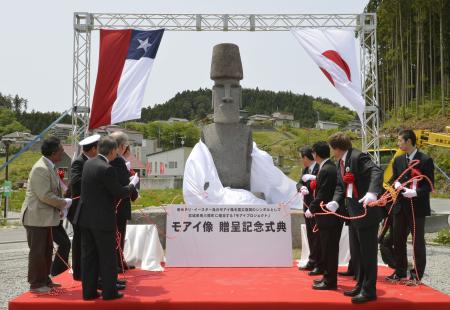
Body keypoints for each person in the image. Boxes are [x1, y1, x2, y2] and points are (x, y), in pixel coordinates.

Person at [75, 136, 139, 300]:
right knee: (107, 256)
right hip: (102, 220)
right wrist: (132, 185)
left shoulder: (89, 164)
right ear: (112, 151)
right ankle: (110, 293)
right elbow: (118, 191)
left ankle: (88, 293)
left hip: (85, 218)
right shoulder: (107, 168)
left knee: (89, 257)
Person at [328, 132, 383, 303]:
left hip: (366, 211)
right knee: (358, 252)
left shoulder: (358, 157)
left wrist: (373, 192)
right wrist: (336, 202)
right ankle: (360, 284)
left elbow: (376, 171)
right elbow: (340, 186)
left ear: (337, 148)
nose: (332, 152)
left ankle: (369, 290)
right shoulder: (340, 162)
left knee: (368, 252)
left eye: (333, 148)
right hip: (353, 212)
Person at [20, 136, 72, 293]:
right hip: (35, 217)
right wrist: (64, 203)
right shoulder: (41, 168)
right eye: (61, 150)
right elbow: (45, 195)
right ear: (53, 153)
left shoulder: (48, 166)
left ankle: (45, 279)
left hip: (44, 218)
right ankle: (36, 284)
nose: (63, 153)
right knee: (38, 251)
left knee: (47, 250)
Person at [387, 129, 434, 282]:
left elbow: (429, 185)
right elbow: (394, 179)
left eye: (400, 140)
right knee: (398, 240)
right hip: (400, 205)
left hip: (417, 207)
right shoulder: (399, 160)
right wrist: (396, 185)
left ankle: (416, 274)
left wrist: (416, 193)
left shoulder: (425, 160)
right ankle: (400, 271)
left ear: (408, 141)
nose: (398, 143)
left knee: (417, 241)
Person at [307, 141, 343, 290]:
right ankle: (327, 277)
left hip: (328, 215)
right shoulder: (328, 167)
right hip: (327, 214)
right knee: (327, 247)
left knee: (329, 248)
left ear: (316, 154)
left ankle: (330, 281)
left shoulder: (327, 169)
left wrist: (312, 208)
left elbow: (322, 193)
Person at [68, 134, 100, 281]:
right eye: (97, 148)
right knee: (79, 240)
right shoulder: (78, 162)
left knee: (87, 242)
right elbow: (75, 182)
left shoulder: (92, 161)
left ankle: (88, 270)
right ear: (93, 149)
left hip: (90, 208)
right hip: (78, 209)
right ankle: (78, 272)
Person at [109, 131, 138, 271]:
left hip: (113, 205)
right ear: (121, 146)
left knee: (118, 235)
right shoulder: (118, 160)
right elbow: (123, 183)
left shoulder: (108, 159)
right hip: (119, 204)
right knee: (119, 235)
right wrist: (133, 183)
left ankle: (119, 261)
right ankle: (117, 263)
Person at [297, 147, 322, 275]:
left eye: (302, 157)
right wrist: (301, 188)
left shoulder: (319, 168)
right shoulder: (305, 170)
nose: (302, 160)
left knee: (317, 235)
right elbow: (299, 182)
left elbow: (324, 183)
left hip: (316, 206)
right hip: (306, 205)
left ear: (307, 157)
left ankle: (318, 263)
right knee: (310, 235)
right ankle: (312, 261)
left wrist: (314, 178)